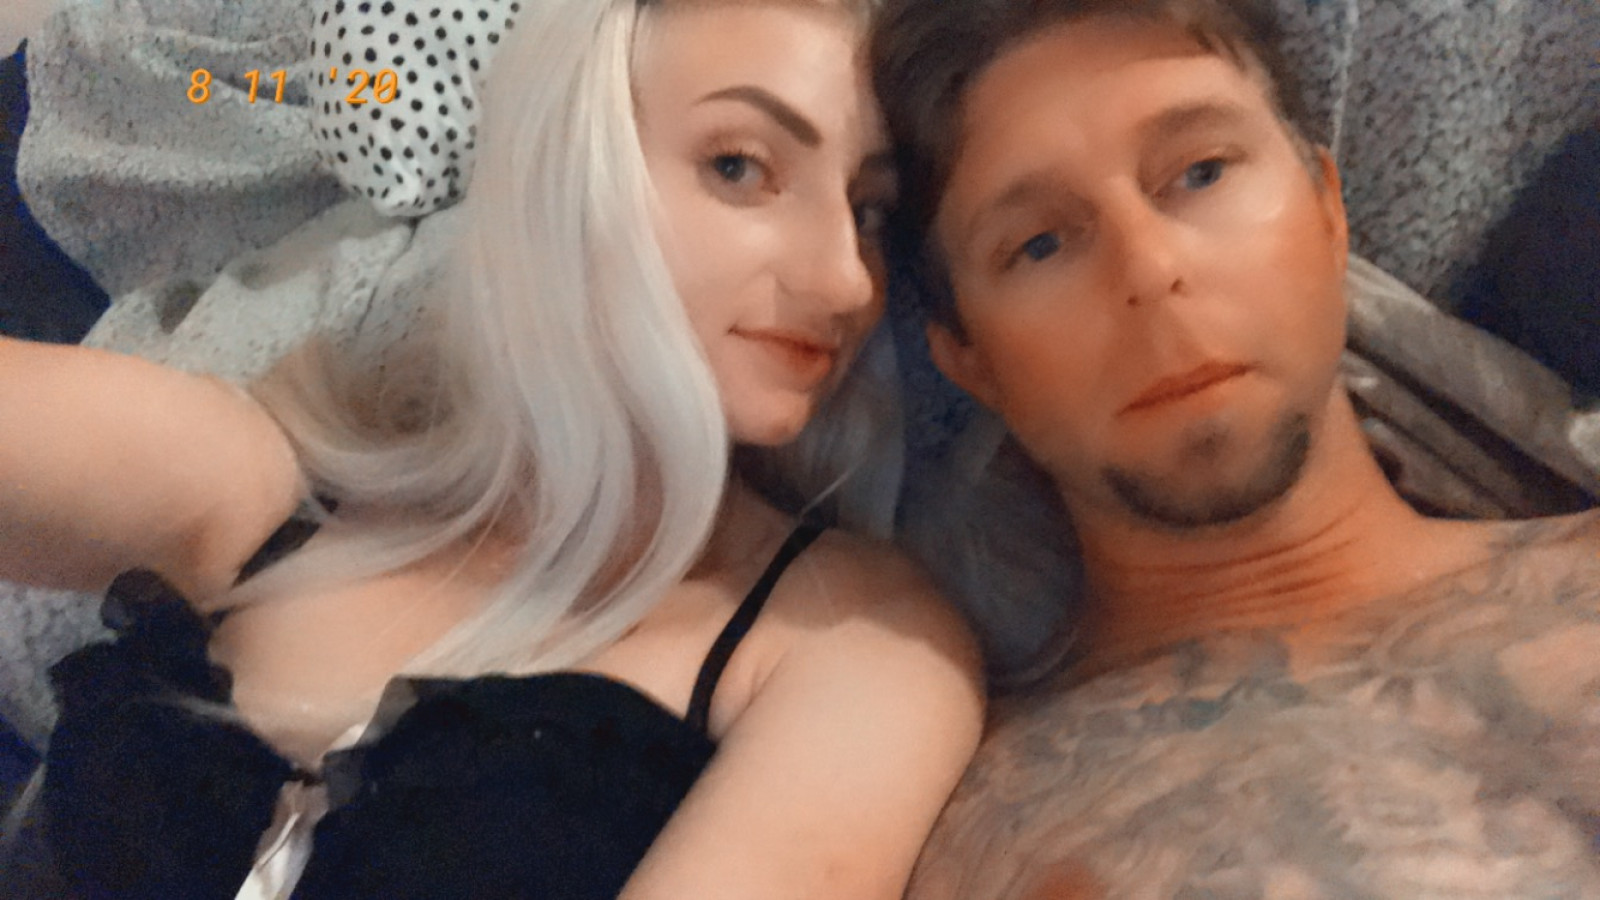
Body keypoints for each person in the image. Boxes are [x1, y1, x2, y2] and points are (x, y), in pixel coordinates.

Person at [0, 0, 984, 896]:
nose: (846, 280)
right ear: (562, 166)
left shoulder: (855, 639)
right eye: (740, 166)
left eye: (869, 211)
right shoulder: (267, 483)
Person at [870, 0, 1600, 896]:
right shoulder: (975, 830)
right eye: (1041, 243)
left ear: (1329, 210)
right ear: (969, 361)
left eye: (1201, 172)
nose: (1149, 269)